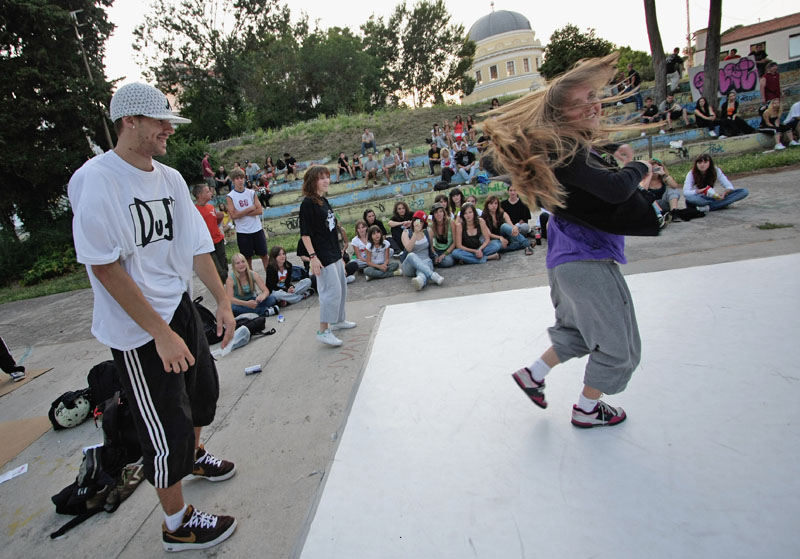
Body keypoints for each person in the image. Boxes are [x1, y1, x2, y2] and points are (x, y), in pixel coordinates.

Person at [68, 82, 238, 552]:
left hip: (177, 307)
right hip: (138, 329)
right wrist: (159, 333)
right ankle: (176, 523)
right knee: (166, 426)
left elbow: (198, 245)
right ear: (129, 122)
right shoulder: (96, 180)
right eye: (160, 122)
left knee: (202, 395)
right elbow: (103, 266)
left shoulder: (169, 178)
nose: (169, 130)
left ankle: (194, 457)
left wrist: (222, 301)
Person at [485, 53, 662, 428]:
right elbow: (614, 191)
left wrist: (616, 158)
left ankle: (533, 374)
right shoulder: (566, 151)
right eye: (582, 102)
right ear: (560, 113)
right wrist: (640, 167)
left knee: (578, 333)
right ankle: (587, 408)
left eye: (594, 96)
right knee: (619, 347)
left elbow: (591, 181)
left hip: (564, 261)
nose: (594, 105)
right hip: (587, 262)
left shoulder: (565, 151)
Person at [299, 165, 355, 347]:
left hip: (334, 253)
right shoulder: (307, 203)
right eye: (321, 178)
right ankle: (323, 331)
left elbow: (331, 230)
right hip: (322, 255)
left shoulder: (323, 200)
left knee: (341, 289)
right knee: (330, 292)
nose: (326, 181)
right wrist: (313, 257)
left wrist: (340, 253)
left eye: (327, 177)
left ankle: (338, 320)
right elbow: (305, 234)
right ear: (312, 181)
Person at [225, 168, 269, 273]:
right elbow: (234, 215)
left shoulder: (251, 193)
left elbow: (259, 211)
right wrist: (249, 208)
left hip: (256, 229)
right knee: (247, 259)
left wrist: (241, 213)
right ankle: (251, 282)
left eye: (241, 178)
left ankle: (270, 281)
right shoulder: (230, 196)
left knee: (264, 255)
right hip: (243, 231)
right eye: (237, 178)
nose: (240, 180)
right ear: (233, 180)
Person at [683, 154, 749, 211]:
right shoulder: (691, 173)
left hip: (713, 197)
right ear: (696, 164)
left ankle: (709, 207)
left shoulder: (716, 170)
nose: (702, 165)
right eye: (699, 163)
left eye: (705, 162)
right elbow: (686, 192)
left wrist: (724, 194)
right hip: (700, 198)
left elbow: (729, 186)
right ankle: (721, 204)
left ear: (710, 163)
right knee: (690, 199)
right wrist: (699, 191)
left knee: (743, 191)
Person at [400, 210, 444, 290]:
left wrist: (435, 255)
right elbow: (409, 249)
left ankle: (420, 281)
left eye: (422, 222)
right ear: (413, 221)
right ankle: (433, 275)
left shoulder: (428, 231)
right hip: (410, 265)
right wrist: (415, 233)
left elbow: (431, 247)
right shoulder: (406, 233)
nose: (419, 223)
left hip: (425, 261)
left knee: (422, 269)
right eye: (417, 221)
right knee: (411, 255)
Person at [194, 184, 228, 284]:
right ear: (200, 196)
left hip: (218, 239)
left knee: (224, 266)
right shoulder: (195, 211)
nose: (210, 193)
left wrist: (220, 218)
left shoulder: (211, 207)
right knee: (218, 271)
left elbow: (214, 223)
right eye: (207, 191)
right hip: (208, 243)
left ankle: (226, 289)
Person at [428, 202, 455, 268]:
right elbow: (431, 245)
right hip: (436, 250)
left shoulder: (451, 222)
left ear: (444, 213)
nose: (438, 214)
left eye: (440, 211)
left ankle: (434, 263)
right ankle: (435, 261)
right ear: (433, 215)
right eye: (436, 213)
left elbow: (455, 242)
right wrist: (435, 255)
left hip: (448, 250)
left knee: (449, 261)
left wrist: (444, 255)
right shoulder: (431, 225)